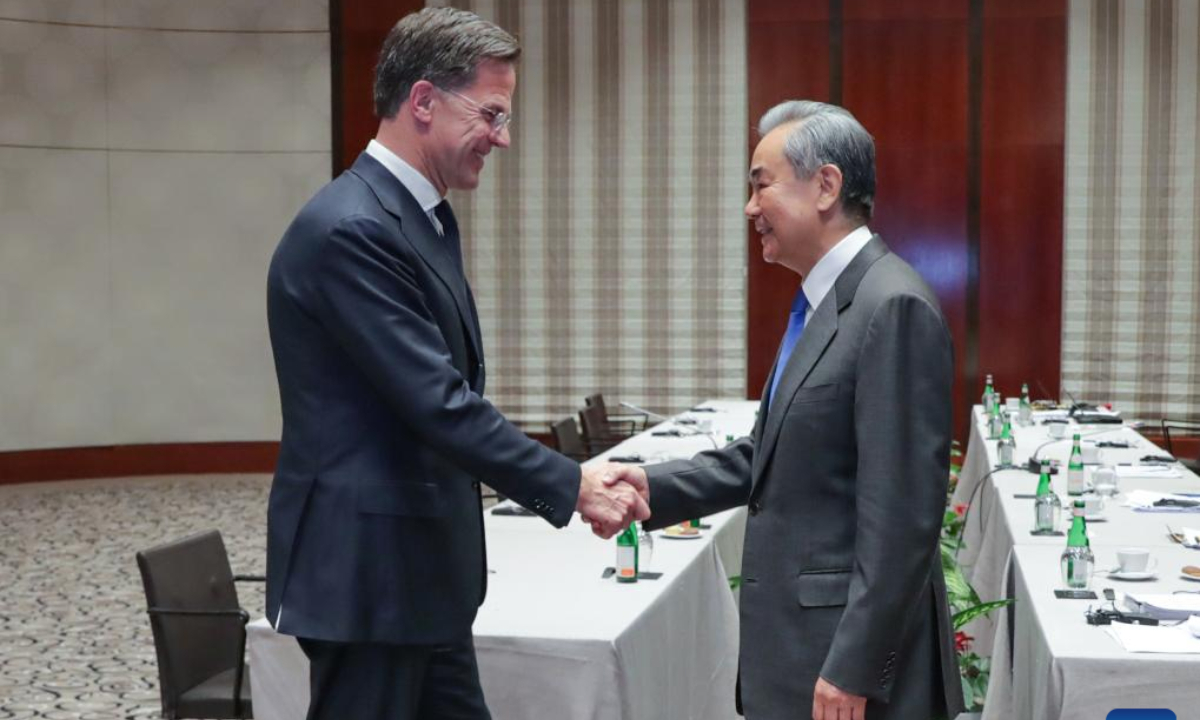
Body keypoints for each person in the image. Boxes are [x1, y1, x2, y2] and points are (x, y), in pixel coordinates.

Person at [264, 8, 647, 719]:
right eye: (492, 114)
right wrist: (572, 484)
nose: (502, 138)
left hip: (420, 574)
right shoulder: (354, 229)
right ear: (422, 101)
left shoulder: (418, 217)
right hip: (369, 579)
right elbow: (437, 402)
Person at [603, 100, 964, 720]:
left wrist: (853, 666)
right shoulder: (823, 306)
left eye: (760, 184)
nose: (750, 209)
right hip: (801, 650)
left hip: (846, 670)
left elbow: (903, 516)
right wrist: (651, 487)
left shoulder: (890, 306)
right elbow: (766, 457)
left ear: (826, 185)